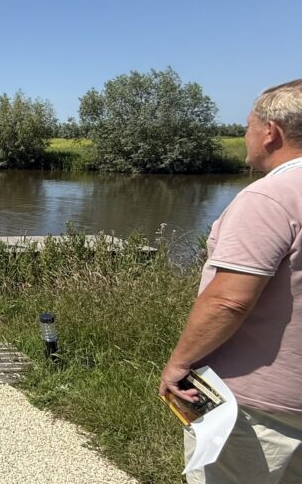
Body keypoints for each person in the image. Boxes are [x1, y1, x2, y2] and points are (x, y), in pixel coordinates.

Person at [159, 79, 302, 483]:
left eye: (247, 125)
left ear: (271, 132)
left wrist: (178, 364)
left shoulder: (269, 198)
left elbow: (228, 301)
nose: (245, 135)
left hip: (261, 410)